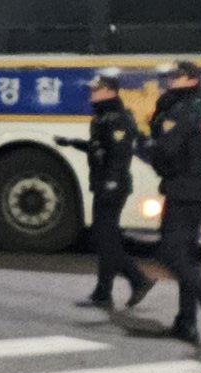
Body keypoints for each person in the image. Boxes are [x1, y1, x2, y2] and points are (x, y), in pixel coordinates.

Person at [139, 58, 201, 346]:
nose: (170, 79)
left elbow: (166, 150)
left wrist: (146, 146)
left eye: (177, 76)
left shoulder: (185, 111)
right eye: (170, 75)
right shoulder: (195, 107)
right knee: (185, 257)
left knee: (170, 254)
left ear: (193, 79)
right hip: (194, 189)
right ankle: (186, 323)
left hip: (185, 190)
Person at [59, 69, 154, 310]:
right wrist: (73, 143)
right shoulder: (102, 116)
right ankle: (103, 293)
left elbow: (120, 155)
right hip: (103, 183)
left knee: (104, 239)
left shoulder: (118, 118)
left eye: (97, 89)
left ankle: (138, 279)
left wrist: (110, 183)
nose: (91, 93)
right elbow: (98, 148)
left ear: (110, 91)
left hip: (113, 185)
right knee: (105, 238)